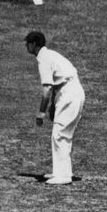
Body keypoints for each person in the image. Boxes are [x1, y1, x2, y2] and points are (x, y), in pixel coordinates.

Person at [25, 31, 84, 185]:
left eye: (28, 43)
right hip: (73, 92)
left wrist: (41, 113)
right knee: (62, 134)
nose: (26, 46)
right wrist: (52, 106)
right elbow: (55, 84)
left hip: (69, 94)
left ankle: (63, 176)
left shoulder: (43, 59)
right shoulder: (50, 55)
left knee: (59, 134)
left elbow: (47, 89)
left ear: (34, 44)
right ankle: (62, 172)